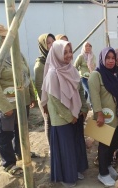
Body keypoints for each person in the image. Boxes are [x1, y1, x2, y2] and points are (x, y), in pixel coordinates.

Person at [0, 23, 36, 176]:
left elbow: (26, 76)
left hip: (22, 101)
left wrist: (31, 96)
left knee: (22, 130)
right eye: (3, 37)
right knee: (6, 134)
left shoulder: (17, 55)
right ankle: (8, 163)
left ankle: (22, 153)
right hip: (6, 105)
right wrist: (6, 107)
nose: (7, 40)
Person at [40, 40, 89, 187]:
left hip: (76, 114)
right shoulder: (52, 74)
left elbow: (80, 89)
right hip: (62, 119)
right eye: (64, 52)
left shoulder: (71, 69)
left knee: (75, 145)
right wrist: (70, 116)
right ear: (56, 54)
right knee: (66, 148)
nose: (68, 55)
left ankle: (74, 170)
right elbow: (55, 101)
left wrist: (83, 108)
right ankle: (67, 177)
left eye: (70, 51)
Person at [88, 47, 118, 187]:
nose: (111, 61)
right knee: (104, 144)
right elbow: (94, 96)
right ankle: (103, 173)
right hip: (104, 117)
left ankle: (107, 166)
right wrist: (99, 113)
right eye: (108, 58)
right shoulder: (96, 75)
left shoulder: (116, 75)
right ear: (102, 59)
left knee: (113, 142)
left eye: (113, 58)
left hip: (116, 116)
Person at [34, 33, 55, 146]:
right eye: (48, 43)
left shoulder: (55, 58)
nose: (51, 45)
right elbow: (39, 85)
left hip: (55, 96)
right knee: (49, 121)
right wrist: (44, 103)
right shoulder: (40, 64)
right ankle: (51, 146)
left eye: (53, 42)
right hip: (45, 98)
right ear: (43, 45)